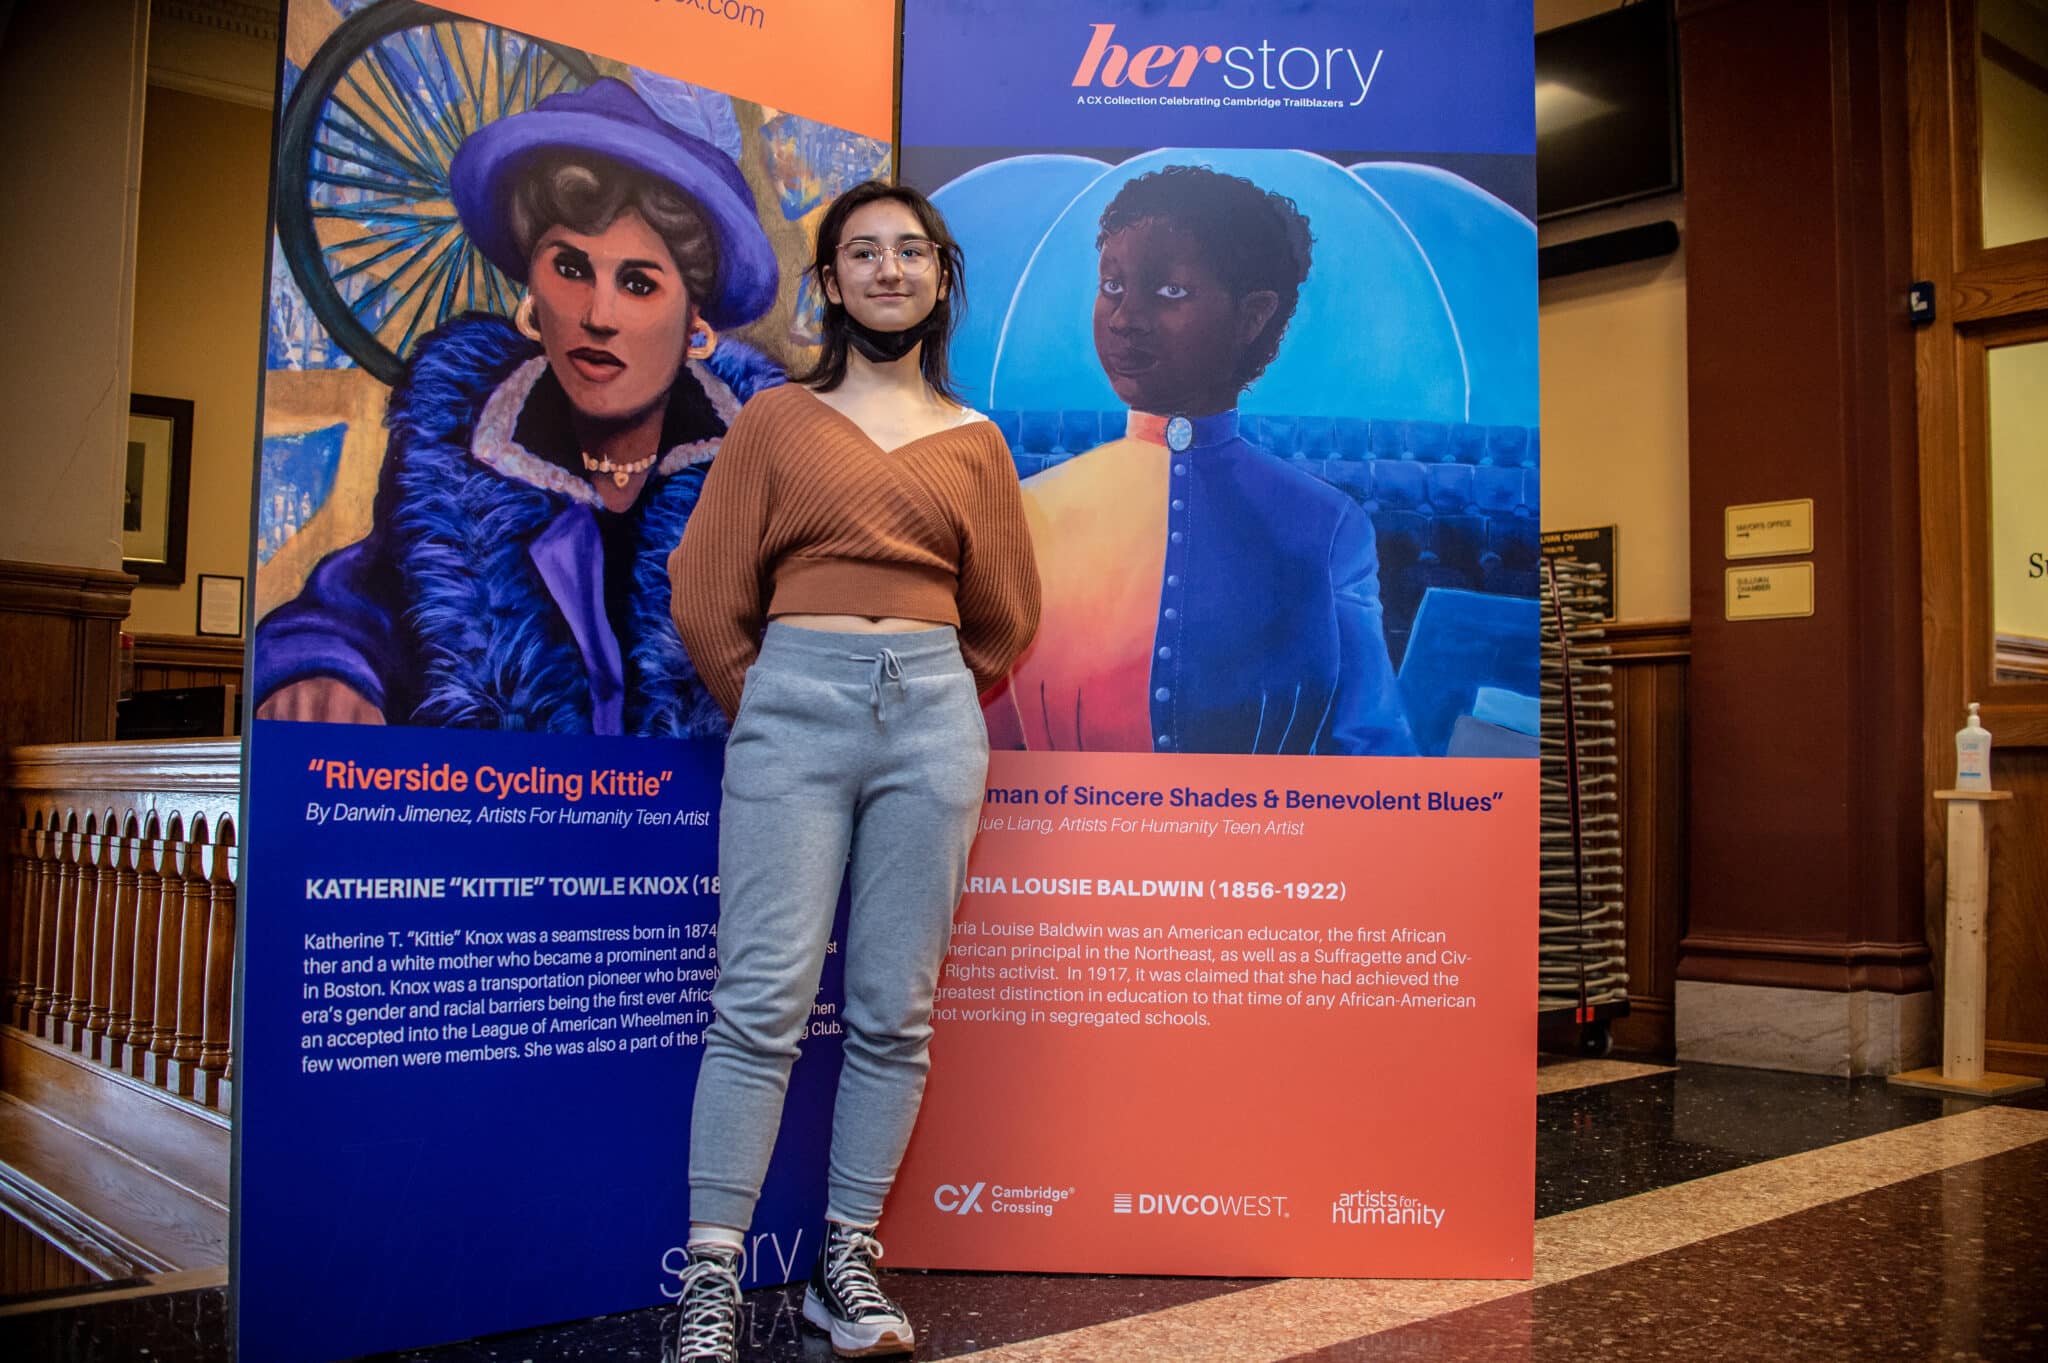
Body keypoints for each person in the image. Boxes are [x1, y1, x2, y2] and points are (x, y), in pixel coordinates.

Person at [664, 181, 1039, 1361]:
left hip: (932, 720)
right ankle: (709, 1279)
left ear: (939, 277)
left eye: (910, 251)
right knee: (759, 1002)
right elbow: (703, 593)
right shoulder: (776, 421)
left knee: (893, 1009)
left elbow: (1005, 617)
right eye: (862, 253)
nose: (888, 269)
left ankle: (845, 1264)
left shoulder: (975, 442)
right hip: (793, 709)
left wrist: (922, 695)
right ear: (829, 282)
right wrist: (783, 701)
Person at [252, 79, 784, 736]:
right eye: (571, 269)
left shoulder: (766, 475)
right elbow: (359, 606)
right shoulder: (453, 460)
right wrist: (324, 669)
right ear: (532, 288)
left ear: (694, 322)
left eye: (638, 283)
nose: (599, 315)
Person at [986, 164, 1414, 755]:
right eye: (1112, 286)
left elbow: (1372, 745)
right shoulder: (1028, 510)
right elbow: (988, 743)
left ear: (1253, 315)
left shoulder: (1328, 527)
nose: (1125, 319)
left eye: (1170, 292)